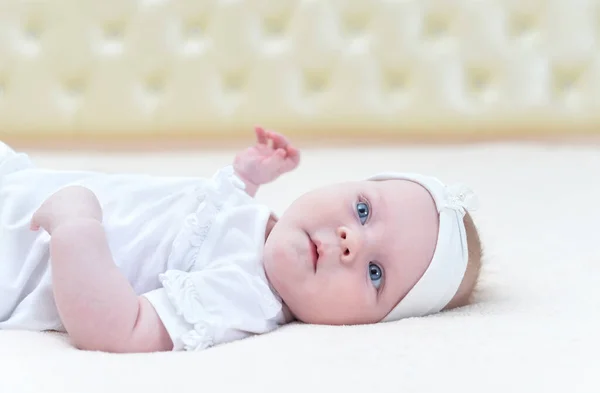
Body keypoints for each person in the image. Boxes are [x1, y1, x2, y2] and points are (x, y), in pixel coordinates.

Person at [0, 126, 482, 353]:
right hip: (21, 184)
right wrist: (244, 178)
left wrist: (76, 228)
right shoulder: (264, 229)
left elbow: (117, 330)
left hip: (18, 255)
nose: (349, 240)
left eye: (375, 273)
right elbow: (207, 227)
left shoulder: (246, 297)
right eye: (362, 210)